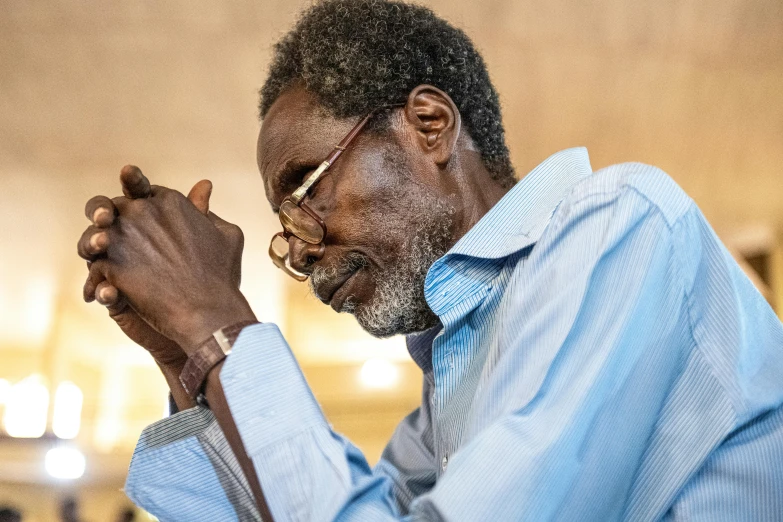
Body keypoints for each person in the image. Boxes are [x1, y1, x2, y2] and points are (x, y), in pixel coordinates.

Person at [76, 0, 783, 520]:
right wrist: (187, 357)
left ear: (427, 124)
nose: (300, 248)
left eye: (304, 189)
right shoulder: (451, 379)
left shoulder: (618, 224)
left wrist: (216, 320)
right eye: (284, 227)